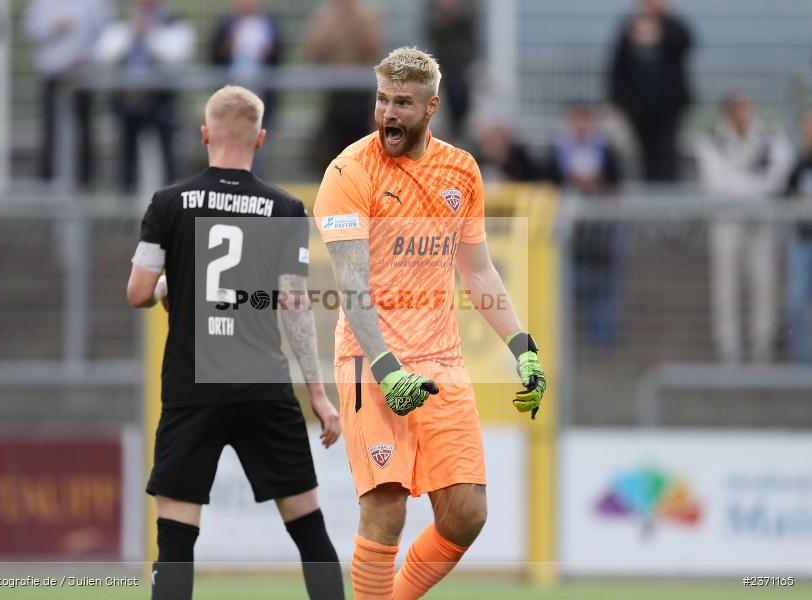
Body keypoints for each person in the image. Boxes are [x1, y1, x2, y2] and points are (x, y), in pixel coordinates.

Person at [313, 47, 547, 600]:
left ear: (431, 107)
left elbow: (479, 272)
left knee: (466, 514)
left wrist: (522, 345)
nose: (388, 114)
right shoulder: (348, 172)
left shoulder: (461, 171)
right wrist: (388, 369)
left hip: (442, 363)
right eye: (382, 100)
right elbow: (351, 284)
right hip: (372, 363)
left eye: (403, 103)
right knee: (385, 509)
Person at [127, 86, 344, 600]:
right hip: (262, 387)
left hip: (191, 389)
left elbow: (137, 292)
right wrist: (317, 394)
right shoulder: (285, 209)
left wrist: (167, 287)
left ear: (204, 135)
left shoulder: (168, 203)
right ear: (260, 139)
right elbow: (294, 305)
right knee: (309, 528)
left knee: (176, 537)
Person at [696, 93, 793, 363]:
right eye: (738, 107)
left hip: (761, 223)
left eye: (747, 106)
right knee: (725, 285)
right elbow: (716, 184)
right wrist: (754, 186)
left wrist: (745, 186)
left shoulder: (770, 135)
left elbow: (778, 176)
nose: (744, 112)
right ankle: (729, 346)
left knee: (764, 282)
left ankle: (762, 344)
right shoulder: (710, 139)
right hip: (726, 224)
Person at [95, 0, 194, 192]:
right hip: (128, 104)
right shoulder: (122, 24)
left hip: (161, 105)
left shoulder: (173, 22)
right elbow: (104, 55)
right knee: (127, 164)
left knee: (167, 161)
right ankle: (126, 210)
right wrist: (132, 31)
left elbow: (175, 56)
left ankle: (168, 212)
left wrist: (149, 33)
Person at [547, 102, 622, 346]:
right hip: (570, 229)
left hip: (601, 230)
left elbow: (615, 183)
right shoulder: (557, 150)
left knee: (603, 282)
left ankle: (601, 338)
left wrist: (596, 185)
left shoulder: (606, 149)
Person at [23, 0, 111, 185]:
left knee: (85, 130)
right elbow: (30, 28)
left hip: (82, 73)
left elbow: (103, 31)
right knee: (50, 131)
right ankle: (47, 183)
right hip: (52, 73)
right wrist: (53, 26)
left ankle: (85, 184)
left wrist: (88, 61)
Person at [608, 0, 692, 182]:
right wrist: (616, 101)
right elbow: (617, 68)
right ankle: (649, 197)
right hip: (639, 108)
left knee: (666, 152)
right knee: (645, 155)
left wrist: (666, 19)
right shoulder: (629, 28)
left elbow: (686, 43)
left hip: (668, 108)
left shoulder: (671, 27)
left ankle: (667, 197)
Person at [303, 0, 382, 173]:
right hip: (334, 92)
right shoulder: (326, 15)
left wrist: (355, 24)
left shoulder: (366, 15)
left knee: (360, 144)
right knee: (330, 146)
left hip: (359, 92)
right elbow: (314, 50)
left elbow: (373, 49)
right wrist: (332, 26)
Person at [209, 0, 281, 128]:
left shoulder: (271, 24)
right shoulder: (225, 24)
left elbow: (278, 56)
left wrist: (267, 52)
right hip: (230, 91)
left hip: (262, 91)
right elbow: (214, 56)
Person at [425, 0, 477, 141]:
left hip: (464, 68)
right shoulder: (431, 12)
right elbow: (431, 28)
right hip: (439, 69)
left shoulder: (468, 11)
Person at [783, 109, 812, 363]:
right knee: (796, 302)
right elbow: (784, 193)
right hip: (803, 241)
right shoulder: (799, 163)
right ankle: (801, 363)